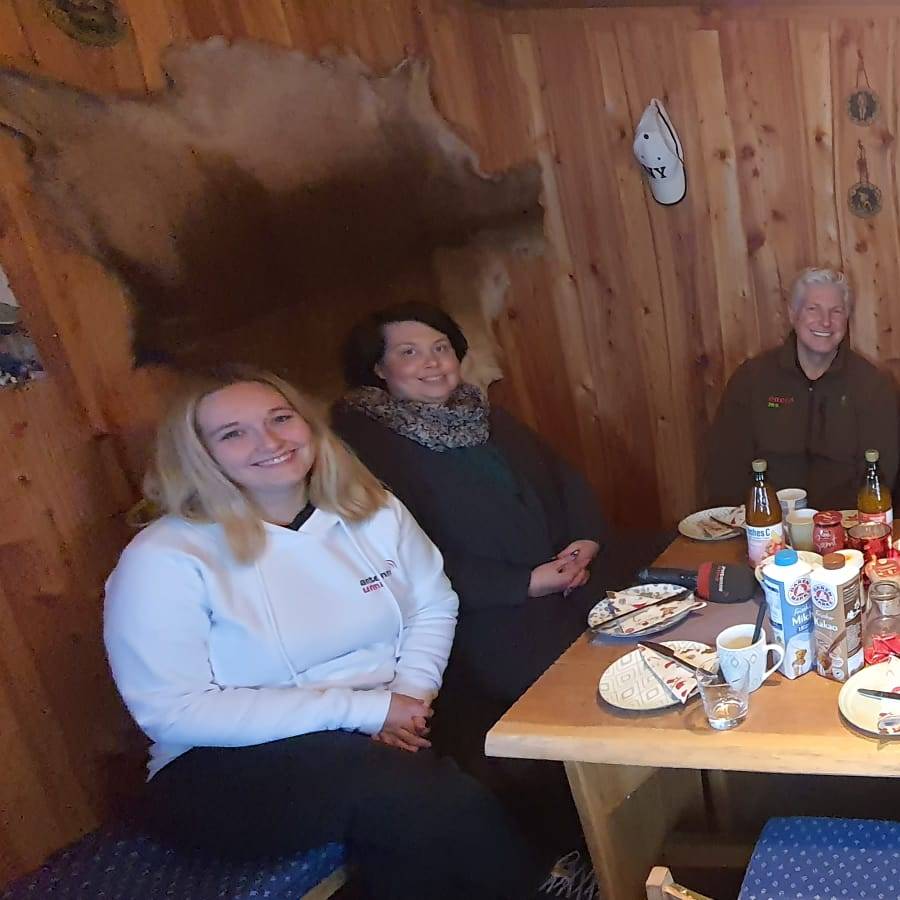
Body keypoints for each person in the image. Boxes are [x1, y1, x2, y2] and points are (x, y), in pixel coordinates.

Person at [103, 365, 542, 900]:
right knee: (422, 802)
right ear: (198, 455)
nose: (269, 442)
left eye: (280, 418)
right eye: (233, 433)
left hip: (382, 719)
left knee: (519, 754)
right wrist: (365, 712)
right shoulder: (164, 557)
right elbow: (174, 710)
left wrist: (410, 698)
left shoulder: (372, 508)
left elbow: (433, 603)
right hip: (223, 762)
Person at [333, 302, 632, 876]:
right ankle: (579, 853)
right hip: (478, 618)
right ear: (378, 369)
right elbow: (402, 559)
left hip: (562, 584)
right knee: (572, 703)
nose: (431, 363)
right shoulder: (364, 446)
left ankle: (638, 818)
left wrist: (585, 540)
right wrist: (524, 582)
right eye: (409, 353)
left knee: (644, 648)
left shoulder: (481, 414)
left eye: (441, 348)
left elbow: (564, 477)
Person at [705, 267, 899, 509]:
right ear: (792, 314)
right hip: (766, 522)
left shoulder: (873, 385)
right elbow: (726, 465)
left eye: (836, 311)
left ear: (847, 318)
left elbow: (881, 476)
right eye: (813, 309)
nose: (825, 321)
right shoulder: (751, 380)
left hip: (846, 523)